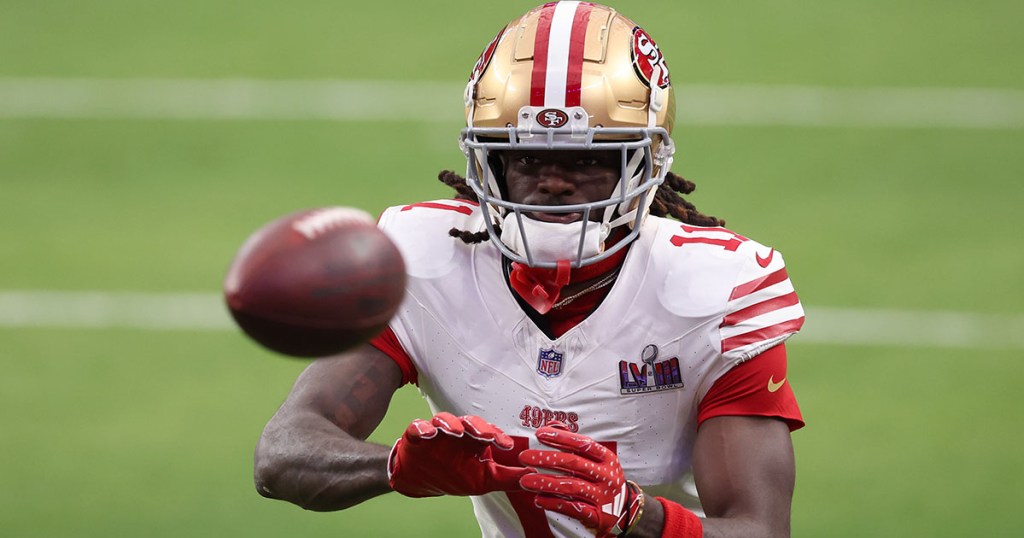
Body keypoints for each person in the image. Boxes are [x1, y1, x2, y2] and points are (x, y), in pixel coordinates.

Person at [254, 2, 806, 537]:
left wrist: (639, 518)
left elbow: (759, 528)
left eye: (587, 159)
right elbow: (283, 454)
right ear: (489, 162)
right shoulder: (422, 261)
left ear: (644, 163)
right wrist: (394, 467)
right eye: (526, 157)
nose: (553, 183)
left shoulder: (715, 287)